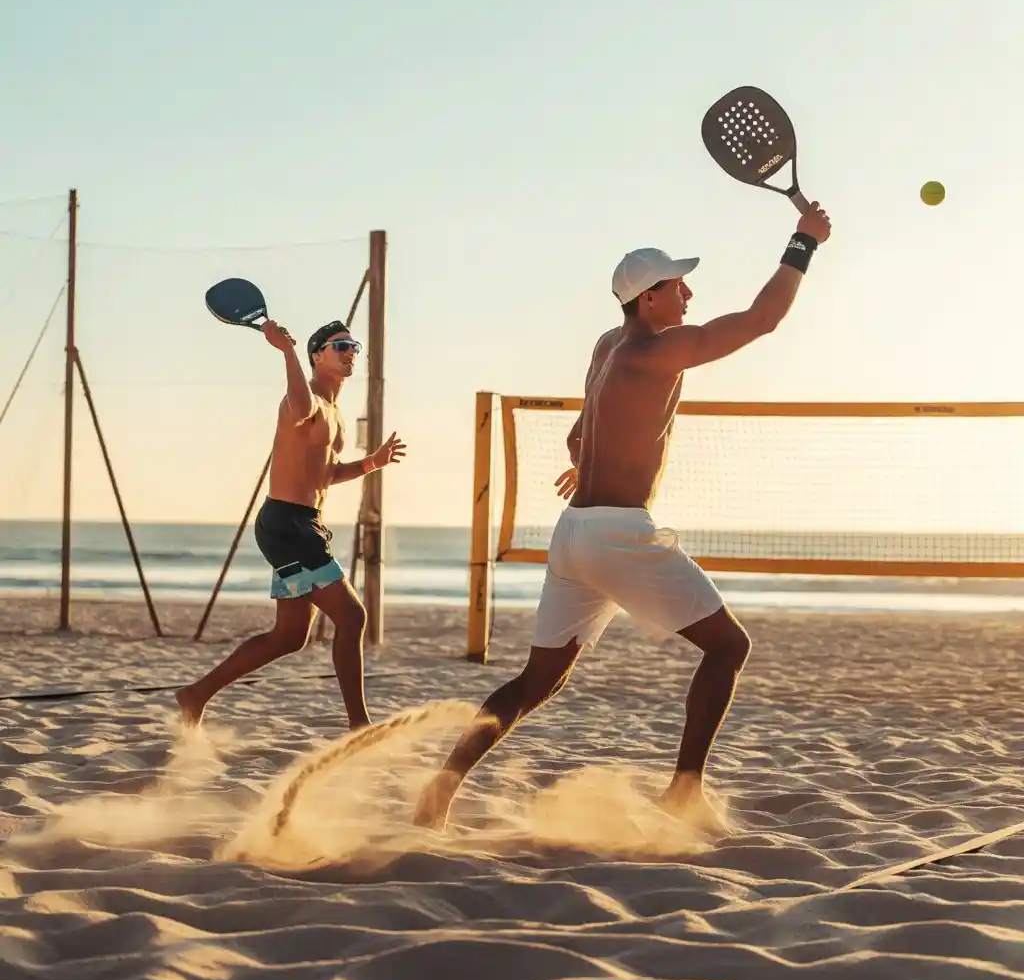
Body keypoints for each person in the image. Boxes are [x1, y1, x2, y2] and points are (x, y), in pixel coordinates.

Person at [414, 204, 832, 831]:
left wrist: (587, 462)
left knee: (537, 682)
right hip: (616, 533)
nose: (688, 291)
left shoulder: (607, 346)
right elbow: (761, 321)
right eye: (677, 284)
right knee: (729, 647)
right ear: (648, 300)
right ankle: (684, 790)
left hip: (574, 534)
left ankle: (439, 792)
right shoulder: (654, 351)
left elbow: (578, 433)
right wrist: (805, 240)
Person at [176, 319, 406, 729]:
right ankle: (360, 726)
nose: (350, 352)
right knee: (352, 617)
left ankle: (196, 695)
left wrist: (373, 462)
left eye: (353, 346)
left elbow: (327, 475)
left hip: (298, 524)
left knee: (290, 636)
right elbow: (298, 407)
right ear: (317, 355)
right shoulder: (308, 402)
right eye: (340, 346)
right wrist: (285, 351)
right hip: (289, 524)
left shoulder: (335, 412)